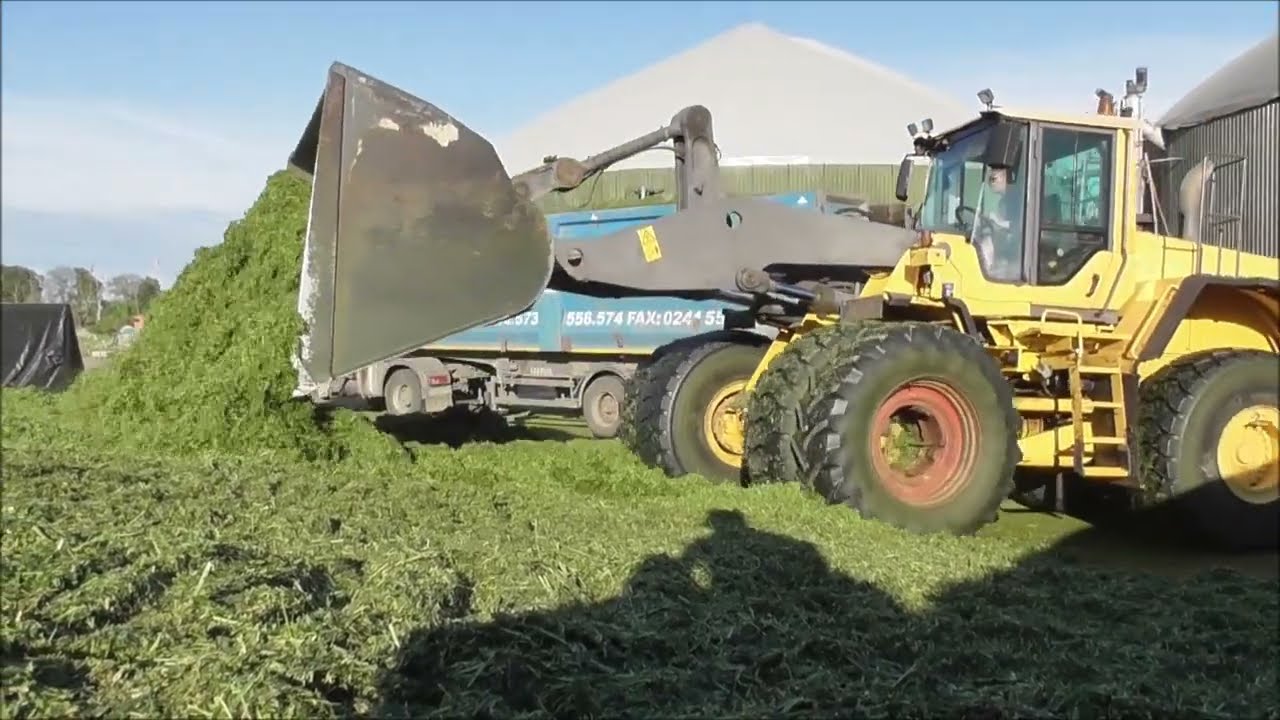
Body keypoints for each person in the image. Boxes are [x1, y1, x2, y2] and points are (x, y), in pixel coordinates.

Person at [973, 166, 1023, 281]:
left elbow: (1021, 225)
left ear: (1006, 177)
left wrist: (998, 222)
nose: (990, 181)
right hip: (1008, 246)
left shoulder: (1020, 198)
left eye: (994, 178)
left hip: (1020, 251)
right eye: (990, 178)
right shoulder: (1003, 202)